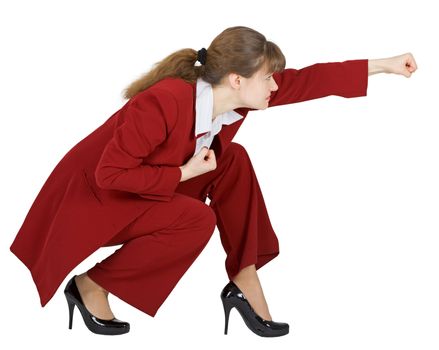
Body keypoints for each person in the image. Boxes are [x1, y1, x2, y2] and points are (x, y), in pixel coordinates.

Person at [9, 25, 417, 337]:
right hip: (99, 200)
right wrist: (184, 174)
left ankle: (244, 276)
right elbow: (110, 174)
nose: (276, 85)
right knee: (195, 219)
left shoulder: (231, 101)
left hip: (140, 189)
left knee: (232, 159)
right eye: (268, 78)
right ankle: (90, 285)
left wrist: (384, 65)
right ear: (237, 79)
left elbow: (308, 81)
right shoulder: (164, 101)